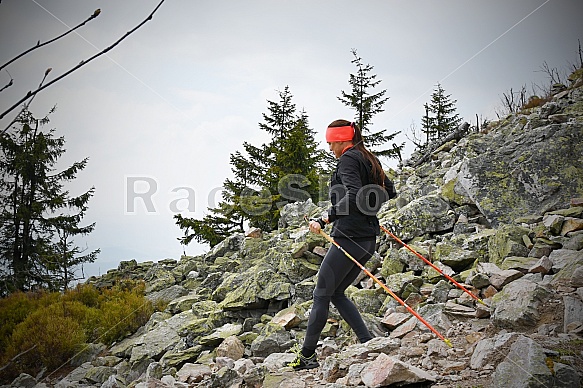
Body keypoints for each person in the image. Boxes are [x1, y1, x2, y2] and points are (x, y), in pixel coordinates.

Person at [288, 119, 397, 371]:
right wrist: (368, 209)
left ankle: (306, 357)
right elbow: (389, 191)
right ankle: (367, 342)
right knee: (335, 293)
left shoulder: (348, 159)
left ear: (341, 140)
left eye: (331, 143)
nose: (330, 149)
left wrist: (325, 218)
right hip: (366, 239)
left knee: (321, 294)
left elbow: (352, 195)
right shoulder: (369, 158)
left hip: (349, 238)